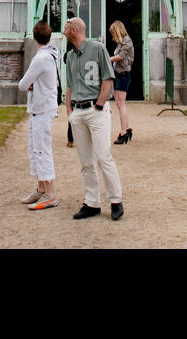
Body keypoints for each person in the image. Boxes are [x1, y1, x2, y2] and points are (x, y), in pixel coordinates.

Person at [63, 17, 124, 221]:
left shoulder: (97, 49)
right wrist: (70, 112)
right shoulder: (70, 56)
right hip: (78, 113)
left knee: (103, 156)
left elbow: (108, 78)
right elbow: (69, 86)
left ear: (73, 29)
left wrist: (99, 104)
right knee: (85, 161)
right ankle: (92, 203)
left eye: (65, 28)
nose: (62, 31)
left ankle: (116, 201)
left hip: (96, 110)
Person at [16, 21, 60, 210]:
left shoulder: (41, 58)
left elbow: (23, 84)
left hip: (42, 108)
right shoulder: (51, 55)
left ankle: (50, 194)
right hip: (42, 107)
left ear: (35, 38)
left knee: (42, 149)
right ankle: (41, 188)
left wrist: (31, 84)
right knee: (35, 148)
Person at [107, 21, 134, 144]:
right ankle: (127, 129)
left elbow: (120, 57)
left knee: (120, 104)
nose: (112, 35)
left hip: (123, 75)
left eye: (113, 32)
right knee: (120, 104)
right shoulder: (121, 42)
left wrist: (106, 59)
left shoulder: (127, 42)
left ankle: (123, 133)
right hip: (119, 74)